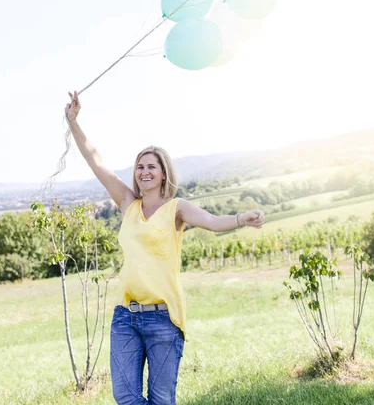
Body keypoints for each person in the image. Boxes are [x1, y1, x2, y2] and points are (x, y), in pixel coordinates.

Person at [65, 90, 265, 405]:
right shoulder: (127, 203)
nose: (144, 172)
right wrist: (74, 122)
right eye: (140, 167)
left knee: (161, 399)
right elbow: (96, 160)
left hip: (163, 320)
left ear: (163, 174)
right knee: (127, 398)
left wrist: (242, 218)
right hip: (125, 318)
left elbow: (212, 222)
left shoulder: (177, 209)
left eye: (151, 167)